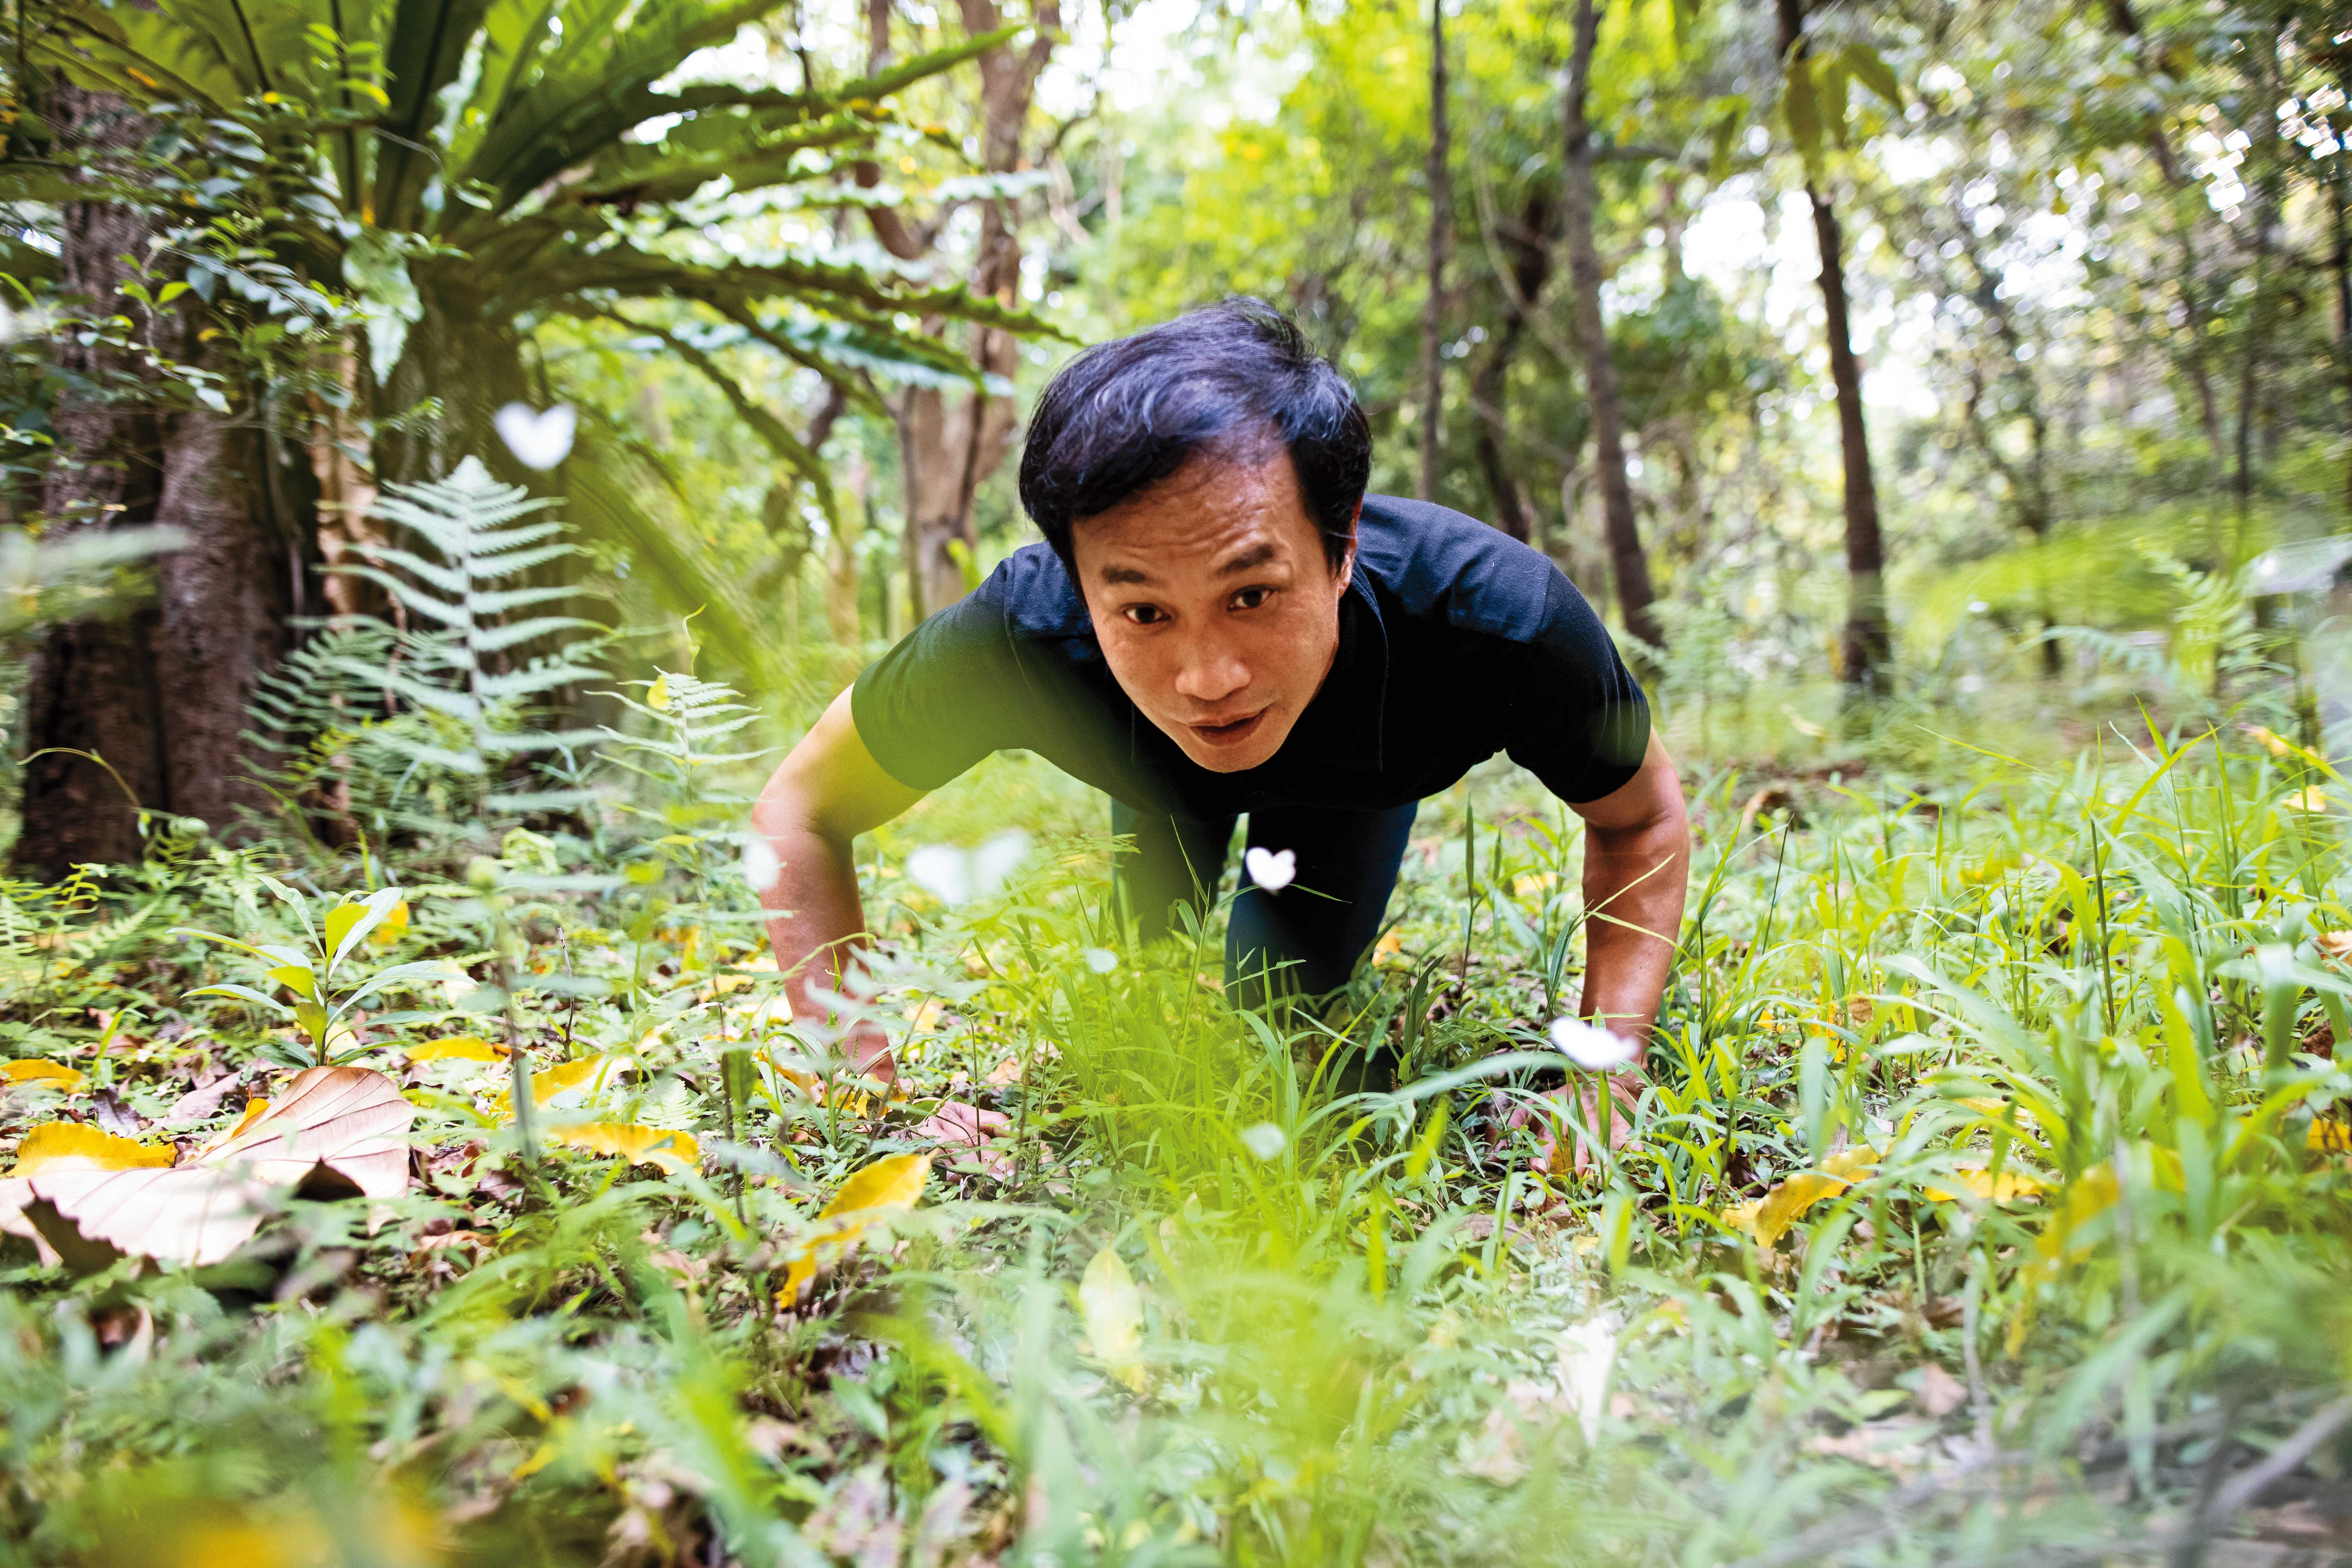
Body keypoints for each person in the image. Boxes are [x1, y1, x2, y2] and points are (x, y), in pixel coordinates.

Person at [751, 298, 1690, 1170]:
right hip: (1154, 783)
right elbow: (799, 812)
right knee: (1142, 973)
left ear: (1343, 546)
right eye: (1144, 612)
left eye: (1252, 595)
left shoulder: (1499, 623)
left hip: (1353, 786)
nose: (1209, 680)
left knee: (1278, 991)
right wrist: (865, 1095)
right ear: (1076, 581)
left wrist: (1606, 1079)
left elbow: (1642, 820)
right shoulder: (1019, 635)